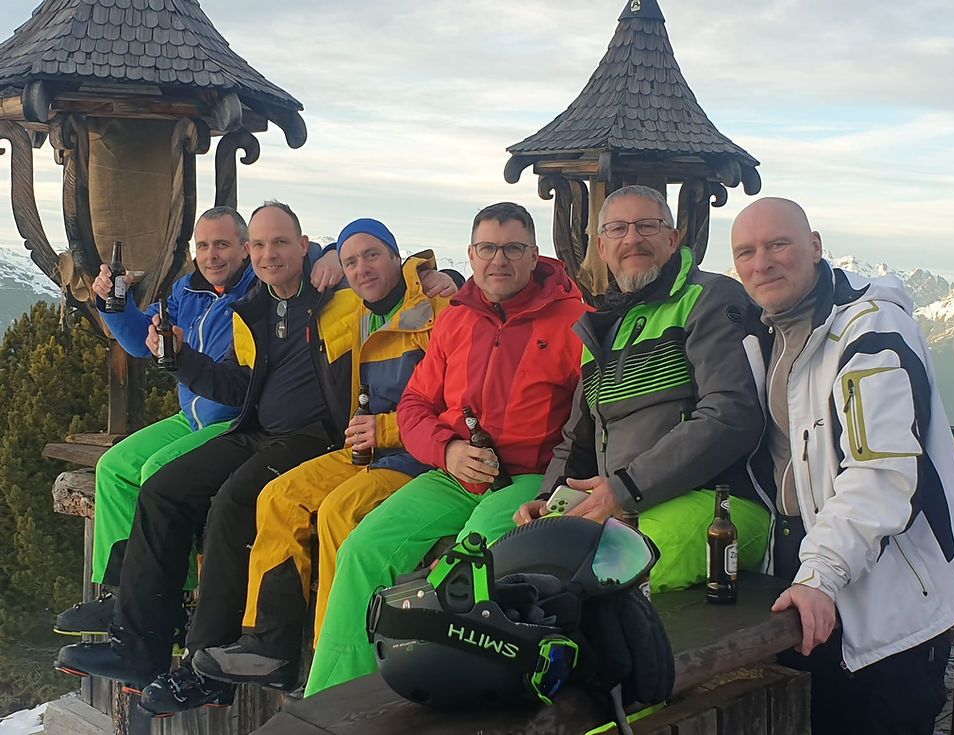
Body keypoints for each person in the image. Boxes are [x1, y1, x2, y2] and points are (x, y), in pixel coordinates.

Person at [53, 201, 361, 710]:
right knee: (163, 489)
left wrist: (341, 245)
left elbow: (388, 269)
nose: (268, 254)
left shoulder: (336, 295)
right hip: (255, 429)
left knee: (231, 504)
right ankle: (138, 648)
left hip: (314, 438)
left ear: (304, 247)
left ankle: (205, 666)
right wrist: (181, 360)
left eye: (280, 243)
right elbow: (238, 385)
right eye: (260, 245)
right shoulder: (255, 307)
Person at [304, 201, 590, 696]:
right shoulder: (458, 318)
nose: (498, 260)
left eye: (512, 249)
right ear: (471, 254)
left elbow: (589, 420)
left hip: (528, 478)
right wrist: (448, 449)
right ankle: (332, 699)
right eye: (487, 249)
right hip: (452, 473)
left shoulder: (576, 321)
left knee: (465, 565)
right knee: (362, 549)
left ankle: (430, 694)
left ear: (534, 254)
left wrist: (555, 486)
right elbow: (415, 404)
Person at [730, 196, 954, 735]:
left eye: (778, 244)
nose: (761, 262)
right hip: (808, 583)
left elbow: (883, 474)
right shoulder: (764, 335)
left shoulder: (870, 330)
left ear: (815, 247)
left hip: (888, 595)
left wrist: (820, 573)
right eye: (746, 252)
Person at [188, 218, 453, 692]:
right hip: (364, 448)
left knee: (337, 512)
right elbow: (305, 275)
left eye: (373, 255)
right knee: (278, 497)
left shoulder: (437, 309)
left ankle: (331, 664)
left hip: (419, 455)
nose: (362, 268)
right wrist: (329, 254)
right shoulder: (356, 312)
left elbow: (456, 398)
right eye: (351, 261)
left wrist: (443, 276)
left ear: (397, 256)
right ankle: (269, 647)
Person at [515, 185, 771, 594]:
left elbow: (730, 413)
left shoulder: (708, 299)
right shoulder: (602, 330)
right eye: (617, 229)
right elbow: (576, 440)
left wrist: (625, 490)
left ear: (673, 238)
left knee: (600, 580)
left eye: (647, 226)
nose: (632, 239)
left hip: (720, 504)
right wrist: (550, 499)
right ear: (602, 247)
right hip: (625, 505)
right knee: (519, 568)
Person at [54, 207, 257, 636]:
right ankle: (121, 593)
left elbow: (308, 256)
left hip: (237, 423)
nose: (211, 255)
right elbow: (142, 343)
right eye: (204, 245)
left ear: (245, 247)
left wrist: (330, 255)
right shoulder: (188, 291)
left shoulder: (260, 291)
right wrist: (114, 305)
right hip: (191, 417)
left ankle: (171, 600)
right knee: (114, 467)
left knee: (158, 471)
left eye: (222, 244)